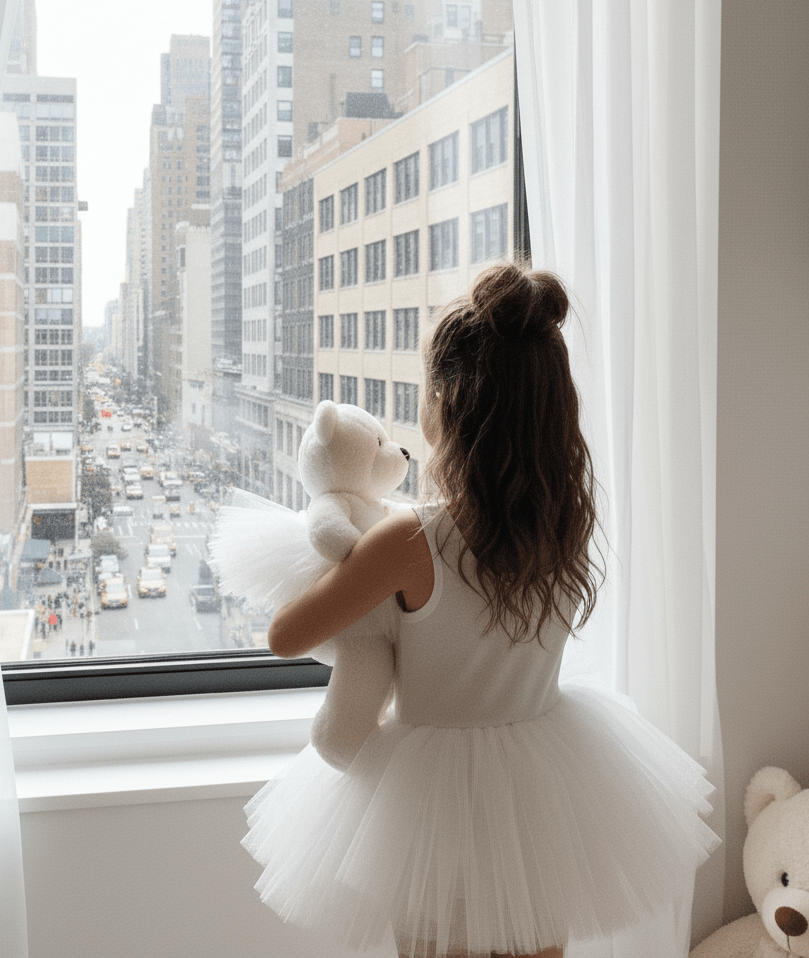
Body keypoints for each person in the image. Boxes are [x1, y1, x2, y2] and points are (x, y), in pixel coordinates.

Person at [244, 263, 719, 958]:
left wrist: (348, 552)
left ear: (449, 406)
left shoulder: (410, 540)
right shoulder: (565, 525)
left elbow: (287, 635)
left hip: (431, 805)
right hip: (542, 785)